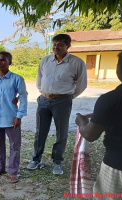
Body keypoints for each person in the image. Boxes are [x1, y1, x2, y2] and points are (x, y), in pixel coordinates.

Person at [75, 47, 122, 197]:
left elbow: (91, 134)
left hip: (121, 168)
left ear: (121, 69)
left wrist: (81, 121)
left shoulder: (111, 98)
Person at [27, 34, 87, 175]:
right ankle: (36, 158)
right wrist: (44, 93)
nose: (56, 47)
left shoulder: (76, 62)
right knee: (40, 131)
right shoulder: (45, 60)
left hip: (63, 101)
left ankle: (57, 161)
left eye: (60, 44)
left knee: (62, 132)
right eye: (54, 44)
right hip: (43, 100)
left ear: (68, 46)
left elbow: (81, 84)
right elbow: (39, 80)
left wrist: (68, 97)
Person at [0, 51, 28, 183]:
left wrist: (19, 116)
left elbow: (23, 97)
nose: (0, 63)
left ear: (9, 62)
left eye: (3, 60)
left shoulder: (17, 79)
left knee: (14, 146)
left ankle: (13, 172)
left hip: (11, 118)